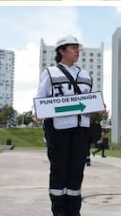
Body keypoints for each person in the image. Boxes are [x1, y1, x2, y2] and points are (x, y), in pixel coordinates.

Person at [35, 35, 95, 216]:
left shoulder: (85, 75)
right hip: (58, 129)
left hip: (81, 129)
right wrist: (39, 111)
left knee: (77, 171)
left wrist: (97, 107)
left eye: (79, 48)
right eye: (73, 48)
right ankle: (59, 211)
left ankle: (74, 211)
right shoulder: (50, 72)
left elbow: (90, 100)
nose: (78, 51)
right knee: (59, 171)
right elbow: (40, 100)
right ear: (61, 50)